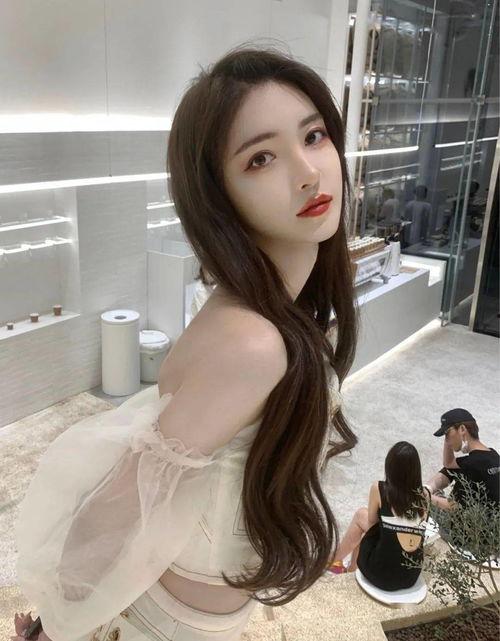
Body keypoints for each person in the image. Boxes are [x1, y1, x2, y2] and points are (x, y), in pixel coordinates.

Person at [13, 43, 358, 641]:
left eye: (314, 135)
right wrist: (53, 629)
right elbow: (120, 503)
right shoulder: (254, 342)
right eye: (261, 158)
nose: (307, 172)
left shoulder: (268, 311)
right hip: (170, 622)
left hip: (201, 606)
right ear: (217, 194)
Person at [328, 442, 430, 592]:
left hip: (379, 575)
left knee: (361, 517)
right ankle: (349, 567)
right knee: (378, 534)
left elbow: (372, 522)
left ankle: (334, 560)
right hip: (410, 577)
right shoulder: (425, 495)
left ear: (390, 467)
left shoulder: (380, 489)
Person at [425, 408, 500, 512]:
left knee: (423, 505)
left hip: (474, 521)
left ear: (462, 429)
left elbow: (453, 506)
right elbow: (449, 464)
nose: (446, 440)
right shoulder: (492, 454)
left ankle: (427, 491)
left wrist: (426, 496)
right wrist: (428, 489)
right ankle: (428, 488)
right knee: (452, 470)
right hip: (493, 518)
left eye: (447, 434)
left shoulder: (471, 464)